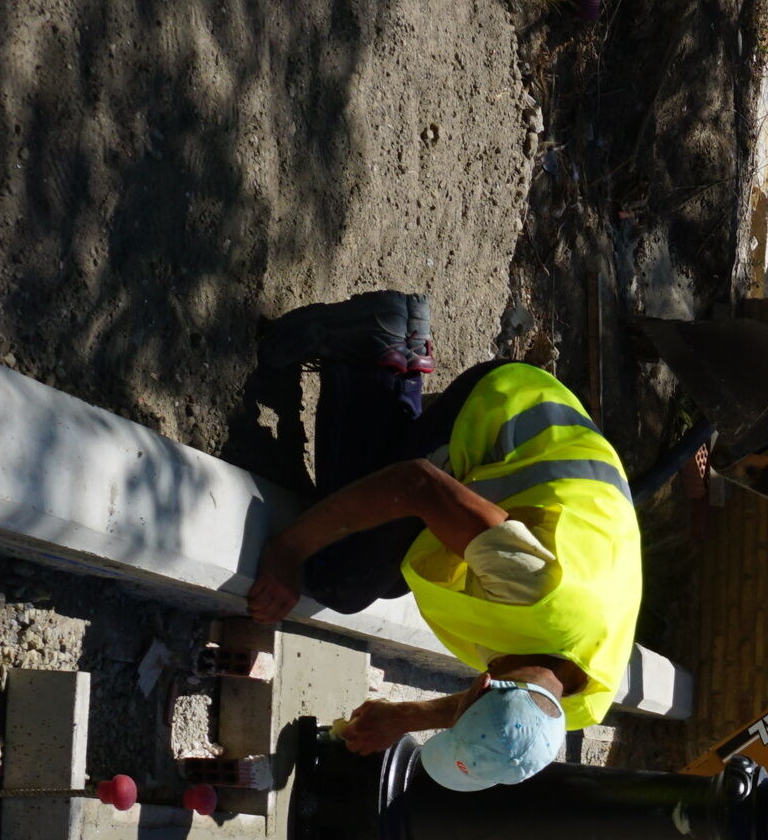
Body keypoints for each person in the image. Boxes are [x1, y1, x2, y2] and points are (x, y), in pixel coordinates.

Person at [245, 291, 641, 791]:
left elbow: (507, 703)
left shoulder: (578, 705)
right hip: (510, 410)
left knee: (391, 578)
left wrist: (402, 717)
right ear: (481, 685)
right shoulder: (534, 588)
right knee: (339, 577)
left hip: (567, 474)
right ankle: (370, 353)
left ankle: (390, 367)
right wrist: (288, 549)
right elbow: (416, 484)